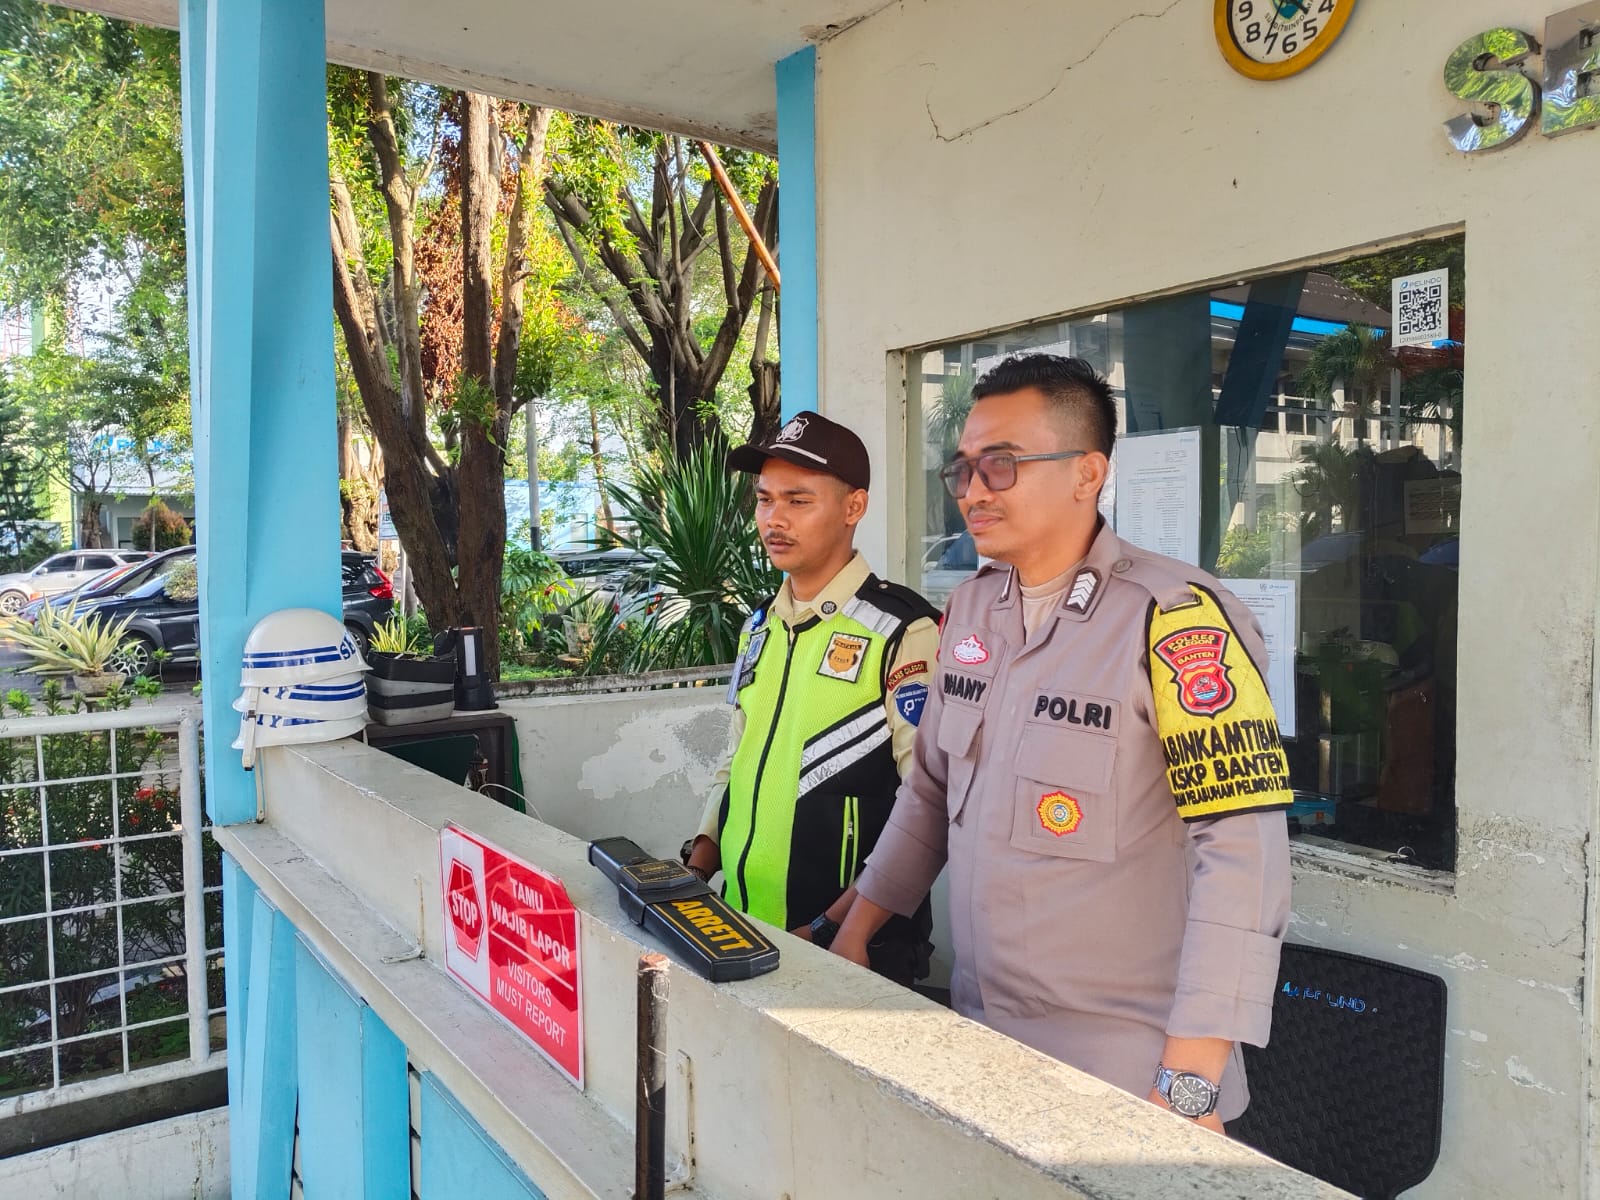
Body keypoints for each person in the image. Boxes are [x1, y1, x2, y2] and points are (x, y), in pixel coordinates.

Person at [830, 354, 1292, 1130]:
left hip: (1128, 1076)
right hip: (984, 1044)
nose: (973, 491)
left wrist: (1191, 1080)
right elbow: (933, 789)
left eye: (1002, 464)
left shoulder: (1175, 619)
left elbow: (1244, 853)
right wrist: (856, 932)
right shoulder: (973, 612)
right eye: (964, 469)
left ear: (1087, 474)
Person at [683, 410, 941, 985]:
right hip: (744, 925)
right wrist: (697, 868)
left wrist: (834, 927)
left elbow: (927, 803)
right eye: (764, 500)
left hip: (850, 949)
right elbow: (738, 760)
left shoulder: (903, 630)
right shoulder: (759, 627)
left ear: (854, 507)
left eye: (798, 501)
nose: (774, 519)